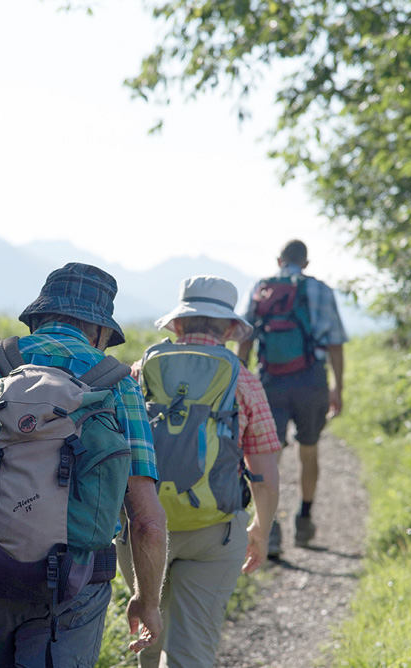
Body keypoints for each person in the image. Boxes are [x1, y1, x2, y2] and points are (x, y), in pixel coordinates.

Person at [0, 262, 168, 668]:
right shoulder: (118, 386)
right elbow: (146, 521)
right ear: (100, 332)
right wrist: (146, 602)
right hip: (73, 587)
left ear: (37, 318)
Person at [118, 275, 280, 668]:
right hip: (215, 528)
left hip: (140, 526)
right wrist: (260, 528)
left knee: (150, 633)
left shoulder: (140, 373)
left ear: (176, 325)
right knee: (190, 653)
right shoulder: (243, 380)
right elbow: (265, 470)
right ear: (227, 329)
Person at [237, 239, 347, 557]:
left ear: (279, 259)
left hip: (269, 382)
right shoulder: (320, 290)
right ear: (307, 262)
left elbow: (245, 339)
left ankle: (268, 530)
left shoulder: (261, 287)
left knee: (268, 455)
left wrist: (238, 381)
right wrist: (337, 388)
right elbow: (336, 343)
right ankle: (304, 519)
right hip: (311, 380)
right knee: (308, 449)